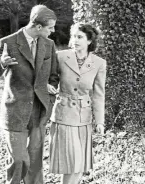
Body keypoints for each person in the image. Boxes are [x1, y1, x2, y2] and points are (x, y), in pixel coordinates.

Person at [0, 5, 59, 184]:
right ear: (39, 27)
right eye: (50, 27)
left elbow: (54, 75)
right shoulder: (7, 43)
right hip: (15, 111)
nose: (54, 31)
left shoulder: (49, 45)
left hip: (39, 110)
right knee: (19, 160)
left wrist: (50, 87)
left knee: (35, 162)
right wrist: (2, 64)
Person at [48, 23, 106, 184]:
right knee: (70, 162)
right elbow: (49, 79)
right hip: (64, 114)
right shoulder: (60, 56)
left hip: (83, 118)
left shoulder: (99, 63)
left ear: (89, 41)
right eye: (74, 36)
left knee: (79, 164)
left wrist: (100, 121)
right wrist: (49, 87)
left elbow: (99, 95)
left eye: (80, 37)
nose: (75, 40)